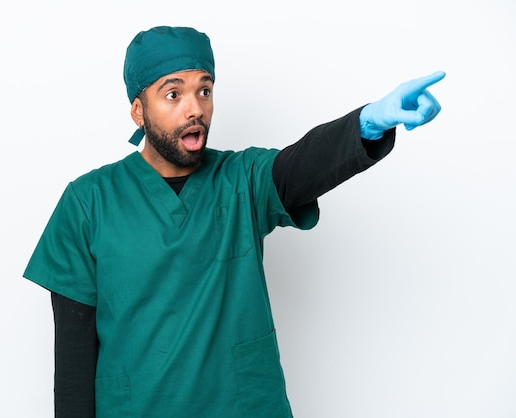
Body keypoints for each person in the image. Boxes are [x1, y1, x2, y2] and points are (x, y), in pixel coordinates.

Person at [23, 25, 445, 418]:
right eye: (173, 95)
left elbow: (298, 167)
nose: (195, 109)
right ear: (138, 110)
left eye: (204, 91)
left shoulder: (241, 180)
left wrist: (367, 124)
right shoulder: (87, 203)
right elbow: (74, 368)